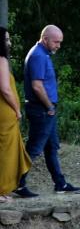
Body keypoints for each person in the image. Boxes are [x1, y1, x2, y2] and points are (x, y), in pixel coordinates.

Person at [18, 24, 79, 196]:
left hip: (45, 109)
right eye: (56, 42)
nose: (58, 46)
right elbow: (37, 86)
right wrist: (49, 106)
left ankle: (60, 183)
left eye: (60, 42)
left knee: (51, 147)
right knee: (34, 148)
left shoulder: (43, 54)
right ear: (45, 39)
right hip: (42, 109)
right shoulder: (38, 55)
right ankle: (17, 183)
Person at [0, 28, 31, 203]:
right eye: (6, 40)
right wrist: (17, 109)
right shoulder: (2, 60)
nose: (9, 43)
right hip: (4, 111)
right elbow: (5, 88)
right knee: (5, 151)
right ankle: (2, 190)